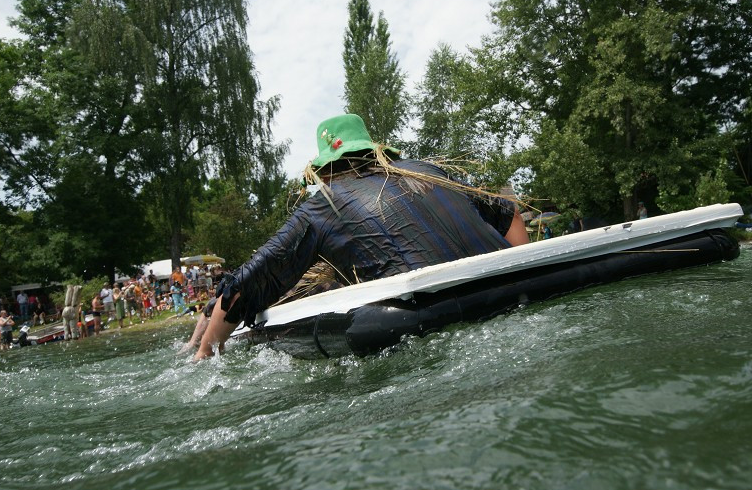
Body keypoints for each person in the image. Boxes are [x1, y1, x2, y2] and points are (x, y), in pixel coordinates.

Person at [193, 113, 528, 359]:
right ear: (375, 152)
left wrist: (204, 353)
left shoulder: (325, 204)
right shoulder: (429, 171)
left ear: (324, 171)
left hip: (435, 325)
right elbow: (508, 210)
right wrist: (523, 268)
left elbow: (241, 289)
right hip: (523, 294)